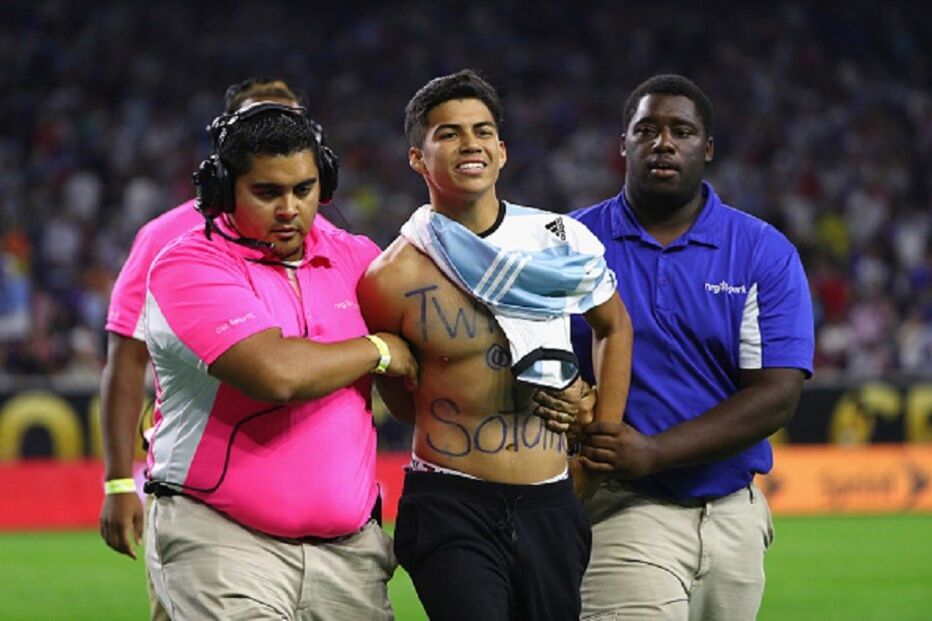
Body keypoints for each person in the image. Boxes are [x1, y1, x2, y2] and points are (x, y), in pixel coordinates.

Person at [358, 69, 632, 621]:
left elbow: (614, 327)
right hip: (449, 502)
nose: (470, 144)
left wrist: (599, 440)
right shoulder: (389, 278)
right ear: (417, 158)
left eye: (482, 131)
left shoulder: (560, 242)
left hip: (553, 498)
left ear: (502, 152)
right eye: (449, 133)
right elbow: (405, 402)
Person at [139, 101, 417, 620]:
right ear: (225, 191)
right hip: (222, 541)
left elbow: (415, 391)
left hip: (349, 556)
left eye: (304, 189)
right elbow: (276, 373)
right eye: (267, 192)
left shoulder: (359, 257)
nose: (289, 208)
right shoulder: (189, 264)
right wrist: (379, 351)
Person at [568, 74, 815, 620]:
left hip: (735, 514)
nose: (663, 143)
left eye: (681, 131)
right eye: (646, 130)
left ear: (707, 148)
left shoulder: (762, 252)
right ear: (623, 144)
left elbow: (777, 395)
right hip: (621, 506)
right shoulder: (570, 243)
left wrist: (656, 450)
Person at [97, 77, 338, 620]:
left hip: (318, 518)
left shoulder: (331, 242)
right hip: (201, 504)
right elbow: (127, 358)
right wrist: (118, 478)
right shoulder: (166, 238)